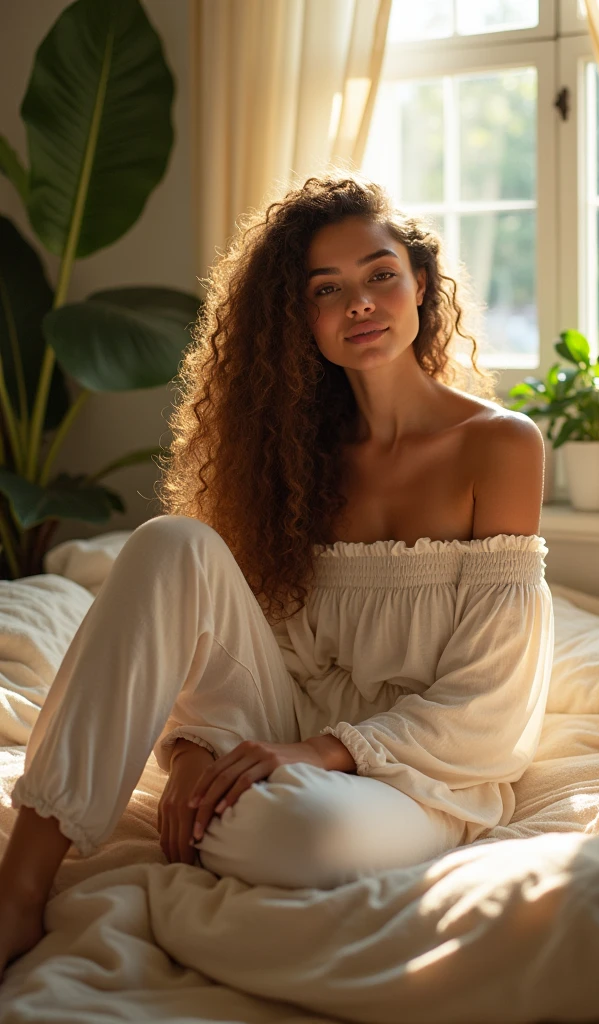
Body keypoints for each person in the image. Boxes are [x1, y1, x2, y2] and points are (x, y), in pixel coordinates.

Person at [0, 171, 554, 980]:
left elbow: (494, 696)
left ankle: (244, 806)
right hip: (275, 733)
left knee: (301, 834)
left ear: (420, 285)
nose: (359, 303)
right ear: (301, 319)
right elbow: (236, 648)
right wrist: (192, 751)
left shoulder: (500, 447)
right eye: (326, 289)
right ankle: (20, 886)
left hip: (418, 774)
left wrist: (317, 753)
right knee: (167, 544)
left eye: (379, 275)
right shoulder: (293, 461)